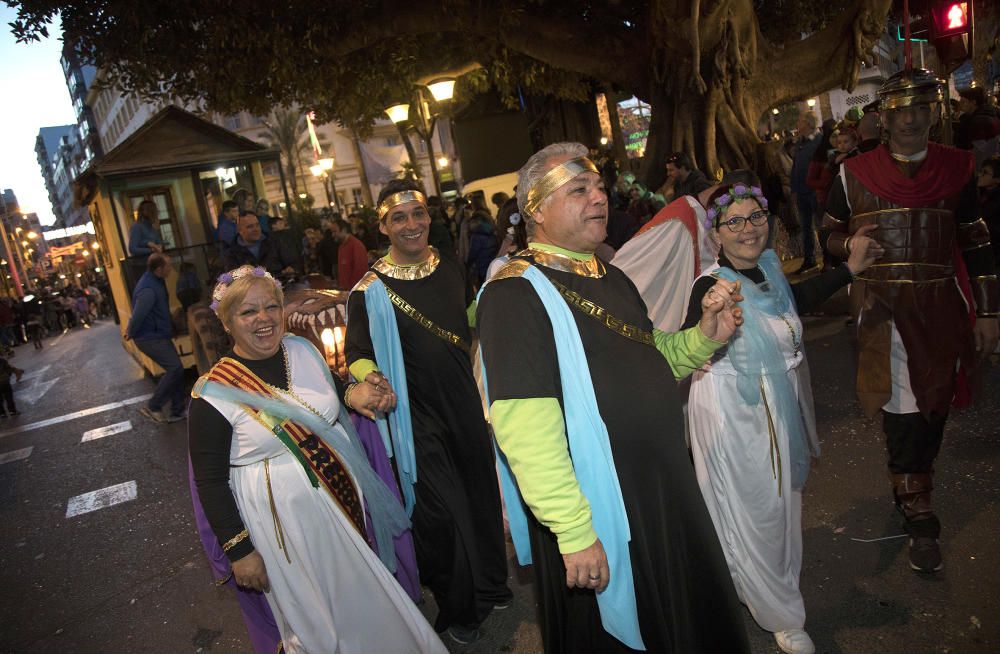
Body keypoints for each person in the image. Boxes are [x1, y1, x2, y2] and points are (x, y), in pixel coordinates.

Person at [477, 142, 751, 653]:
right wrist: (575, 529)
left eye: (599, 187)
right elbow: (524, 429)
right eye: (578, 190)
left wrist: (704, 336)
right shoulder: (512, 295)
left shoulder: (610, 274)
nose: (598, 197)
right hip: (600, 510)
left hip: (661, 488)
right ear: (536, 208)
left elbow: (652, 360)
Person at [189, 265, 444, 653]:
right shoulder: (214, 394)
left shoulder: (302, 349)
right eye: (248, 312)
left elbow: (330, 393)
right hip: (283, 528)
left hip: (341, 506)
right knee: (316, 619)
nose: (264, 319)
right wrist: (239, 550)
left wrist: (354, 394)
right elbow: (209, 481)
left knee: (364, 595)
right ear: (227, 322)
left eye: (271, 307)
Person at [683, 183, 883, 654]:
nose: (748, 229)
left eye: (756, 217)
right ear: (717, 234)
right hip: (738, 411)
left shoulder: (767, 269)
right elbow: (693, 339)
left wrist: (848, 270)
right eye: (734, 222)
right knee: (758, 512)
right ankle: (781, 614)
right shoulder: (710, 286)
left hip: (780, 401)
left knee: (785, 506)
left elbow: (800, 298)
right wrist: (711, 321)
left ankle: (771, 589)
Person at [821, 68, 1000, 574]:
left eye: (921, 109)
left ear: (934, 114)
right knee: (902, 403)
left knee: (936, 399)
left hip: (943, 304)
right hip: (881, 308)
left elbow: (976, 239)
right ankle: (918, 506)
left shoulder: (957, 169)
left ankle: (915, 478)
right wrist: (847, 245)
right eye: (902, 110)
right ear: (887, 115)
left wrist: (988, 311)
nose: (911, 120)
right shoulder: (853, 172)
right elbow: (827, 234)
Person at [345, 179, 512, 645]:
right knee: (439, 515)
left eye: (417, 213)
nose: (412, 224)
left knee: (480, 498)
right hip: (414, 419)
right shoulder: (368, 289)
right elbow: (355, 352)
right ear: (383, 226)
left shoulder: (451, 265)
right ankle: (458, 607)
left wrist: (500, 294)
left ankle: (492, 584)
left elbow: (468, 320)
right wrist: (371, 375)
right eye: (399, 217)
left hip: (464, 403)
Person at [125, 253, 186, 424]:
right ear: (159, 269)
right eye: (168, 265)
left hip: (157, 334)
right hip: (149, 337)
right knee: (175, 368)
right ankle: (154, 406)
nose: (171, 268)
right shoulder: (149, 289)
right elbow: (139, 314)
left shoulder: (155, 281)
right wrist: (131, 330)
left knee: (176, 370)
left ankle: (177, 410)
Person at [790, 112, 822, 273]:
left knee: (821, 225)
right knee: (806, 227)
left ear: (808, 124)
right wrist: (794, 189)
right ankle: (809, 259)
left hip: (815, 192)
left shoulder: (819, 141)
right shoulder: (800, 143)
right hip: (802, 192)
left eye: (800, 120)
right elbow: (795, 167)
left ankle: (829, 259)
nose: (797, 122)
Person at [327, 219, 369, 290]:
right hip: (345, 293)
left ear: (344, 230)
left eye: (334, 232)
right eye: (332, 232)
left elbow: (360, 273)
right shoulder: (341, 246)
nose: (332, 235)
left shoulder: (356, 246)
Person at [978, 155, 1000, 265]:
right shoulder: (979, 192)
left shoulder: (996, 199)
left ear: (997, 180)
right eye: (980, 171)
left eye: (985, 173)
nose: (979, 175)